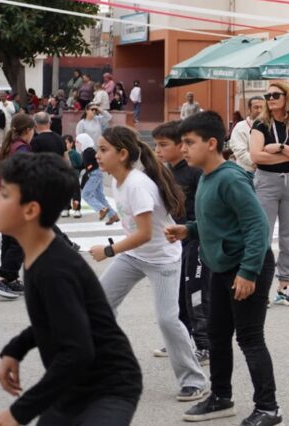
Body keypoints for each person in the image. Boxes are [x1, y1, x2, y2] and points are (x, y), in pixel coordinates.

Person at [0, 153, 142, 426]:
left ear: (30, 210)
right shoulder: (39, 253)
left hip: (108, 387)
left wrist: (19, 412)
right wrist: (15, 349)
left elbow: (77, 352)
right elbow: (55, 320)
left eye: (3, 194)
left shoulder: (54, 269)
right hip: (73, 386)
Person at [168, 111, 282, 426]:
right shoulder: (207, 177)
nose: (184, 149)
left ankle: (268, 408)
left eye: (190, 142)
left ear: (212, 143)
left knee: (249, 337)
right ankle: (221, 397)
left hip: (247, 265)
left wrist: (248, 272)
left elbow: (257, 227)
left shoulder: (230, 178)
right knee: (217, 334)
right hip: (221, 266)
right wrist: (189, 230)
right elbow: (217, 222)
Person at [89, 125, 210, 401]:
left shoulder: (136, 183)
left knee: (168, 320)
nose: (97, 155)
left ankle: (194, 379)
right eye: (98, 149)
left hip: (161, 258)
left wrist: (108, 251)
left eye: (103, 150)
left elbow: (144, 233)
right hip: (135, 255)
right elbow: (136, 224)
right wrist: (114, 217)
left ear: (122, 154)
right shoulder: (118, 182)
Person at [153, 120, 210, 365]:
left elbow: (204, 209)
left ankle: (205, 346)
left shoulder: (195, 171)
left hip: (196, 239)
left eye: (163, 145)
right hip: (175, 241)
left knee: (195, 293)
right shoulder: (165, 171)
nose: (158, 150)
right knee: (177, 293)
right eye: (155, 145)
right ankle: (181, 340)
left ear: (180, 145)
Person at [250, 81, 289, 306]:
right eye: (268, 96)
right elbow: (256, 156)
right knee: (262, 236)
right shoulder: (260, 124)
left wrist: (281, 148)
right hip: (266, 181)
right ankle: (260, 289)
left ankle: (284, 288)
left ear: (287, 97)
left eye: (275, 95)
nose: (271, 99)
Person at [0, 113, 36, 300]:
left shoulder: (8, 147)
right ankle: (2, 277)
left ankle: (10, 279)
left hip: (3, 198)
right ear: (28, 130)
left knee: (9, 240)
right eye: (32, 131)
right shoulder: (22, 149)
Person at [77, 133, 116, 224]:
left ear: (84, 142)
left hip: (95, 174)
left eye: (78, 142)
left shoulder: (89, 151)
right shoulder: (86, 152)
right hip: (95, 174)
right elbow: (85, 165)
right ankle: (113, 215)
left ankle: (101, 209)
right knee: (100, 197)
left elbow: (99, 159)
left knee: (86, 194)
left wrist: (91, 168)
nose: (76, 144)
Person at [230, 96, 265, 174]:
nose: (259, 110)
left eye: (262, 107)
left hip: (267, 173)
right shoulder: (240, 127)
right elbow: (240, 151)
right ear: (249, 109)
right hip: (247, 172)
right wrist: (256, 163)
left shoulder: (270, 126)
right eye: (256, 107)